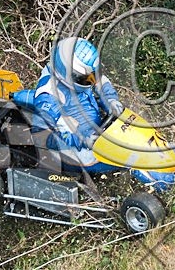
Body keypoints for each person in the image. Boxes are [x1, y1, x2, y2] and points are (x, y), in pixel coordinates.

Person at [17, 37, 124, 173]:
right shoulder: (49, 95)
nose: (91, 80)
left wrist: (111, 100)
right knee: (127, 161)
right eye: (85, 79)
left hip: (94, 132)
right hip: (72, 151)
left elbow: (100, 81)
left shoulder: (83, 73)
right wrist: (82, 140)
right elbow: (41, 137)